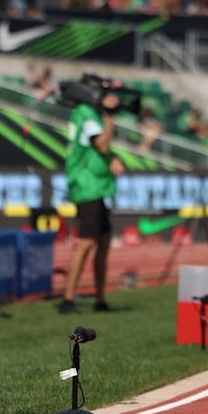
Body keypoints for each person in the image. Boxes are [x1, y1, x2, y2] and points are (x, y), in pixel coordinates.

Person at [58, 90, 125, 313]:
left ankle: (100, 299)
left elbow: (100, 151)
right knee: (86, 243)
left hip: (96, 187)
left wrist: (113, 159)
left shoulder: (89, 115)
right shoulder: (87, 114)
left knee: (104, 240)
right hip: (87, 188)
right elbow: (102, 145)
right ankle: (68, 298)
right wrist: (109, 115)